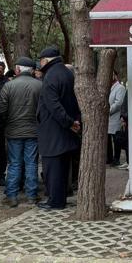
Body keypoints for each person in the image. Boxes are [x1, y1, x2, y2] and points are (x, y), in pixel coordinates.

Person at [36, 47, 81, 210]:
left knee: (52, 168)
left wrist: (69, 122)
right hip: (66, 131)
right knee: (62, 167)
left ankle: (55, 201)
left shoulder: (51, 76)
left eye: (40, 60)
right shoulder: (67, 73)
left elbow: (53, 105)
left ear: (46, 60)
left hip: (54, 131)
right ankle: (60, 198)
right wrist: (73, 122)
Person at [0, 57, 42, 206]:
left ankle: (12, 196)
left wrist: (8, 122)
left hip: (13, 131)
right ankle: (32, 195)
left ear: (17, 69)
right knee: (31, 163)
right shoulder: (39, 85)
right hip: (33, 131)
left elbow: (1, 109)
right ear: (32, 70)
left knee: (14, 163)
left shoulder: (9, 86)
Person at [107, 71, 127, 167]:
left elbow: (118, 103)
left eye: (112, 74)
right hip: (108, 119)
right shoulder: (108, 87)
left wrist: (107, 111)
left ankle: (116, 159)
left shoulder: (120, 88)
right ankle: (109, 158)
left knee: (116, 139)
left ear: (116, 75)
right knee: (108, 140)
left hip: (115, 117)